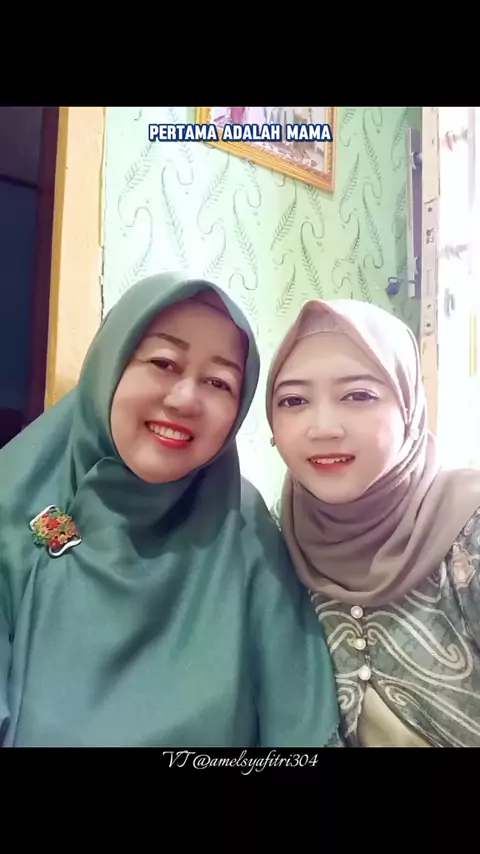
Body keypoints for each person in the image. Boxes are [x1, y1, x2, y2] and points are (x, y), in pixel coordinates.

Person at [0, 272, 339, 748]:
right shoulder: (13, 497)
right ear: (110, 365)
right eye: (163, 362)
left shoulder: (245, 528)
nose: (184, 400)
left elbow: (300, 719)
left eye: (219, 382)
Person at [266, 297, 480, 748]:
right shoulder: (272, 539)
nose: (323, 428)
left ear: (408, 406)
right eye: (294, 400)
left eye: (359, 395)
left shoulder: (469, 531)